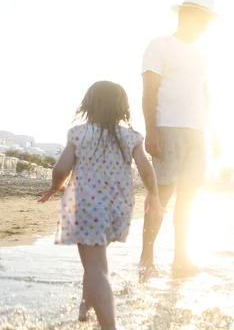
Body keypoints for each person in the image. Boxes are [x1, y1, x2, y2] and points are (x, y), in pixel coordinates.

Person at [39, 81, 161, 330]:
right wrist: (154, 195)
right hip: (117, 209)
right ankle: (86, 303)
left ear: (89, 106)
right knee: (95, 261)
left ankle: (109, 327)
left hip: (86, 207)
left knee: (95, 266)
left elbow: (62, 168)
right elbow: (146, 170)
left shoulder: (80, 134)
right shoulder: (131, 137)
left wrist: (55, 186)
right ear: (121, 109)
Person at [139, 0, 220, 274]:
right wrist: (151, 131)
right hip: (168, 127)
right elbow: (149, 90)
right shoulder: (159, 45)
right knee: (162, 195)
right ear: (185, 15)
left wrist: (216, 134)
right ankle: (146, 257)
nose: (203, 25)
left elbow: (206, 97)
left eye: (207, 21)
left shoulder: (202, 55)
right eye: (201, 19)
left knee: (188, 197)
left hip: (197, 132)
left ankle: (180, 258)